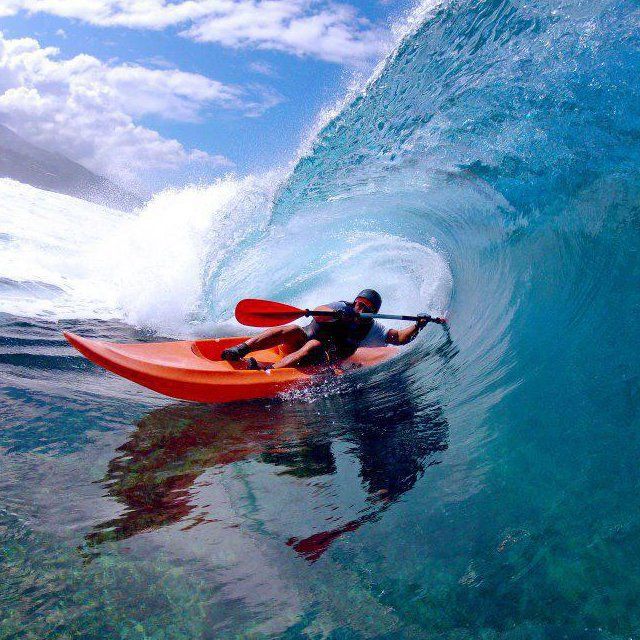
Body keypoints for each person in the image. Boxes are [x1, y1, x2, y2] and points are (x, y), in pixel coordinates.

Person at [221, 289, 444, 370]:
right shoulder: (340, 308)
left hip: (316, 358)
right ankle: (241, 349)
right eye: (358, 303)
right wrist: (337, 314)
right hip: (295, 346)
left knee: (314, 345)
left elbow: (398, 338)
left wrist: (418, 325)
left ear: (373, 312)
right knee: (292, 329)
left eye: (366, 307)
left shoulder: (371, 329)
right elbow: (317, 312)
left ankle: (266, 371)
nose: (359, 307)